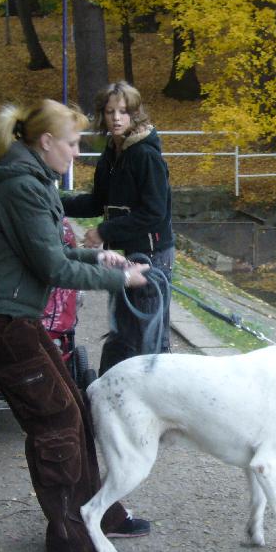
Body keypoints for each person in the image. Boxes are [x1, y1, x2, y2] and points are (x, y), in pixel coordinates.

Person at [0, 99, 152, 552]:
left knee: (73, 406)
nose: (78, 152)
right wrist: (119, 279)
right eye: (72, 142)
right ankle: (69, 535)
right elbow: (49, 266)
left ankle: (97, 513)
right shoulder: (21, 187)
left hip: (11, 315)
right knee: (55, 423)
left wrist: (100, 258)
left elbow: (47, 252)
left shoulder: (30, 181)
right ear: (45, 142)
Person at [61, 81, 174, 374]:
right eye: (110, 112)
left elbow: (154, 213)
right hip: (123, 253)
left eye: (123, 111)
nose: (116, 118)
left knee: (149, 336)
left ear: (135, 114)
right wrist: (54, 202)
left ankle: (157, 400)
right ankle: (108, 392)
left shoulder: (146, 155)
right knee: (121, 330)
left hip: (152, 255)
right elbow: (98, 202)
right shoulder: (112, 153)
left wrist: (104, 232)